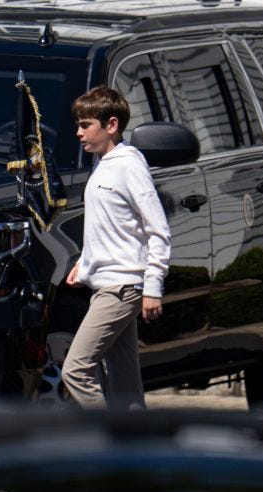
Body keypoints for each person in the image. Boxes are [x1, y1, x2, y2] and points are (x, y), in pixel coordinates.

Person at [61, 86, 170, 410]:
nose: (78, 132)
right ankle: (137, 451)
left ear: (111, 125)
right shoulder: (104, 163)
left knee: (76, 369)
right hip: (107, 282)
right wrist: (85, 262)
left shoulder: (128, 165)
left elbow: (158, 229)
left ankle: (106, 441)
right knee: (124, 381)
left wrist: (153, 286)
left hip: (122, 287)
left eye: (85, 125)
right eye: (78, 125)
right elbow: (111, 226)